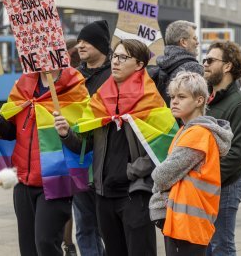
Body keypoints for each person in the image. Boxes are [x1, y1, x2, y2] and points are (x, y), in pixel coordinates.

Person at [54, 39, 178, 256]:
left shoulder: (151, 101)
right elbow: (86, 145)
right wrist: (66, 134)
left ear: (139, 64)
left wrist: (134, 171)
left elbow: (167, 146)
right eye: (115, 56)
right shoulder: (101, 99)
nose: (116, 62)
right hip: (103, 194)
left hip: (135, 195)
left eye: (123, 57)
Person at [0, 68, 89, 256]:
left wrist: (66, 133)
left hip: (56, 181)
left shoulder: (74, 86)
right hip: (23, 181)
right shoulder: (23, 85)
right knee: (28, 248)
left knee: (46, 243)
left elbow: (85, 142)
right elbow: (11, 132)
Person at [149, 71, 233, 256]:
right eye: (172, 97)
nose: (174, 101)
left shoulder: (197, 134)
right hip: (186, 220)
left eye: (181, 97)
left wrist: (156, 177)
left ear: (199, 101)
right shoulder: (188, 131)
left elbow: (162, 175)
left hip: (186, 223)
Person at [203, 40, 241, 256]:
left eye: (211, 60)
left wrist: (204, 177)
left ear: (227, 66)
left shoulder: (239, 104)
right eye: (204, 59)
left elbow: (237, 154)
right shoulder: (205, 99)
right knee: (206, 245)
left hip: (225, 186)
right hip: (204, 184)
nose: (204, 64)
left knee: (221, 246)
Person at [70, 20, 111, 256]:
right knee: (84, 226)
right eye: (79, 41)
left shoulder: (115, 75)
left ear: (100, 45)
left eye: (86, 41)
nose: (80, 45)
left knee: (107, 227)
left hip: (107, 162)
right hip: (79, 158)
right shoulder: (74, 77)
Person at [147, 20, 204, 106]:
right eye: (194, 38)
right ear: (183, 42)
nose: (197, 42)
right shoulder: (194, 68)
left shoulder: (161, 65)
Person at [61, 38, 82, 256]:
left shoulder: (72, 80)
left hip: (72, 146)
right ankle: (68, 243)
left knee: (73, 201)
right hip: (70, 146)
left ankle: (68, 244)